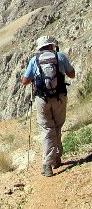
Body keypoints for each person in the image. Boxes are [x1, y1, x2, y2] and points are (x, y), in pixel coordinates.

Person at [21, 35, 75, 177]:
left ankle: (47, 164)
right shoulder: (60, 56)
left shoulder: (34, 60)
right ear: (52, 45)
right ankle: (56, 157)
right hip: (60, 98)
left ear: (39, 47)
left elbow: (25, 81)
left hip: (42, 100)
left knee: (47, 129)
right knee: (57, 127)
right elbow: (72, 74)